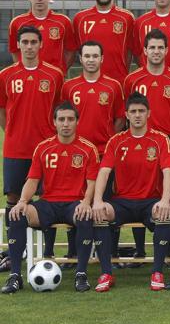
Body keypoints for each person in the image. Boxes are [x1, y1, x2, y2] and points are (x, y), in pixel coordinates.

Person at [1, 102, 99, 294]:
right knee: (17, 215)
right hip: (48, 204)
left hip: (74, 203)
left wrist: (87, 202)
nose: (66, 123)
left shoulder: (88, 149)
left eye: (70, 119)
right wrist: (22, 202)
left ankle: (81, 274)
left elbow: (92, 182)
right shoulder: (43, 148)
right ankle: (15, 276)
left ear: (77, 122)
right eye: (61, 119)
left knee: (85, 216)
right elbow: (32, 180)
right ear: (54, 122)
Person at [91, 92, 170, 292]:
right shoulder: (116, 141)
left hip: (151, 201)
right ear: (127, 115)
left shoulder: (160, 139)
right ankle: (106, 273)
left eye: (141, 111)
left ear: (149, 114)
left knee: (163, 214)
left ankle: (157, 272)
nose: (137, 115)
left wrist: (165, 200)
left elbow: (168, 172)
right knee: (100, 213)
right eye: (133, 111)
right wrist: (97, 200)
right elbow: (103, 173)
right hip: (122, 202)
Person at [60, 41, 126, 266]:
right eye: (86, 56)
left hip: (104, 155)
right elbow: (65, 119)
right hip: (77, 154)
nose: (90, 60)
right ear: (80, 59)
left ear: (102, 59)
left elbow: (119, 118)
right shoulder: (69, 87)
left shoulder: (113, 86)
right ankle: (74, 253)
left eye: (94, 56)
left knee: (107, 202)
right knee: (76, 200)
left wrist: (108, 143)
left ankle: (111, 253)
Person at [0, 26, 63, 249]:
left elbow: (59, 111)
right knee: (14, 198)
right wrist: (13, 131)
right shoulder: (6, 75)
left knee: (49, 199)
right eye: (24, 42)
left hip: (47, 150)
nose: (29, 46)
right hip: (16, 149)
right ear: (18, 45)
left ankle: (48, 251)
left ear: (41, 44)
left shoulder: (54, 75)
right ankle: (16, 250)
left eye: (33, 42)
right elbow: (2, 109)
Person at [124, 29, 170, 162]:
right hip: (139, 139)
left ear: (166, 50)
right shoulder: (131, 80)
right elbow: (125, 111)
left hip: (168, 140)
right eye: (152, 47)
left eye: (160, 47)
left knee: (169, 181)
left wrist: (167, 129)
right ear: (145, 51)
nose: (156, 51)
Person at [73, 0, 135, 84]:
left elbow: (131, 51)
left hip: (119, 82)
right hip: (89, 82)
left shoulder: (127, 18)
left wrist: (124, 71)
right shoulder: (80, 18)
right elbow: (76, 50)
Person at [9, 0, 77, 73]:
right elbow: (15, 52)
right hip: (27, 77)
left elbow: (71, 51)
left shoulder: (63, 21)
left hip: (55, 79)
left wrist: (59, 72)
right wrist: (26, 70)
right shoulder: (17, 23)